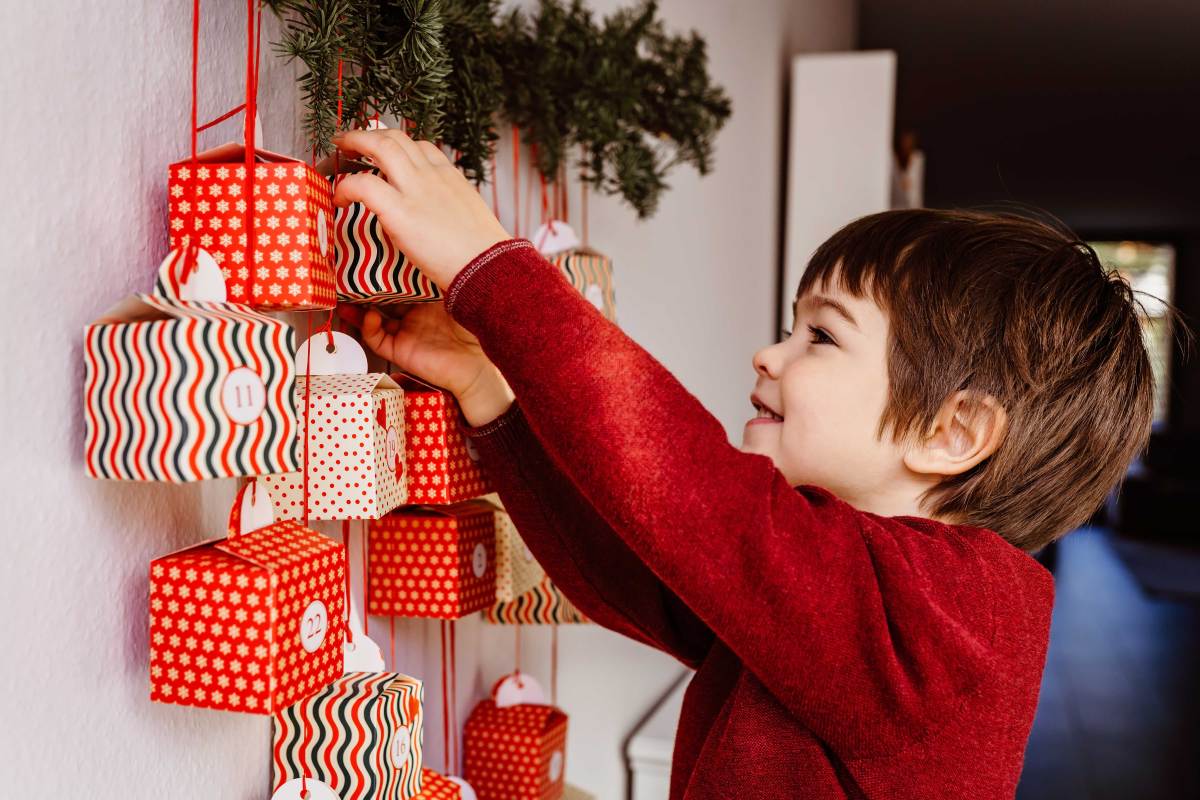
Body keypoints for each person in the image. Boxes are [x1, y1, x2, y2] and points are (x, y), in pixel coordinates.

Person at [331, 128, 1154, 799]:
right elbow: (637, 569)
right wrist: (488, 389)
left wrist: (490, 267)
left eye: (821, 336)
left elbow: (702, 501)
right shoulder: (833, 597)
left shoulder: (958, 616)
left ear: (953, 432)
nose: (767, 354)